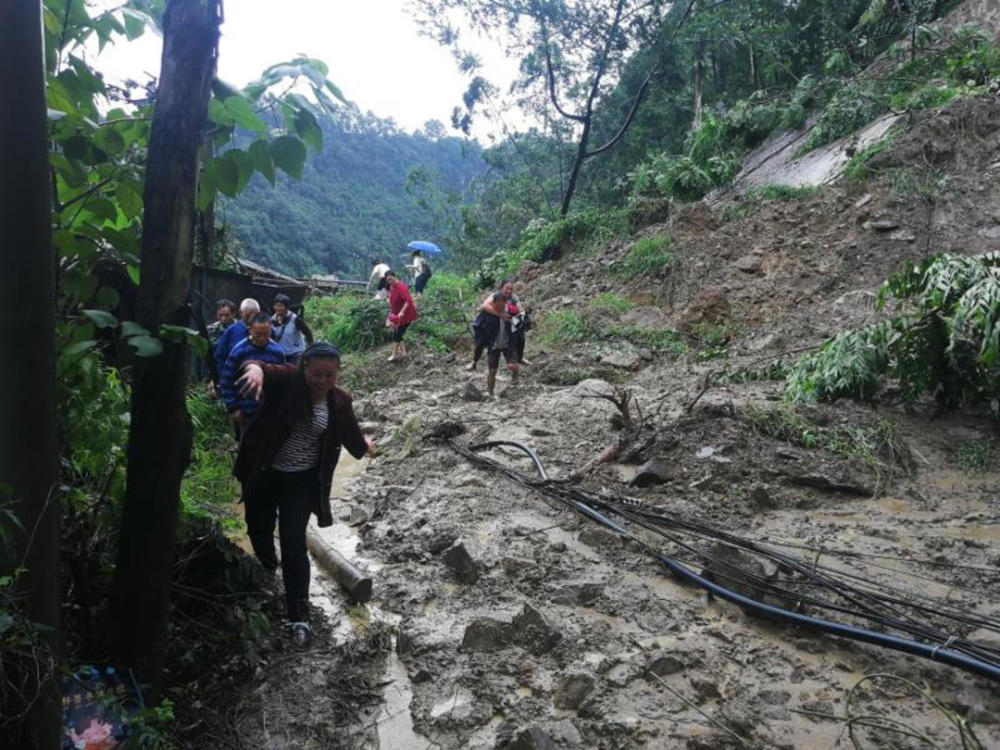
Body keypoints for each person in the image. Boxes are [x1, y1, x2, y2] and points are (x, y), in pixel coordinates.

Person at [234, 342, 375, 647]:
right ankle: (269, 569)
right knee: (258, 529)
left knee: (294, 542)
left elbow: (352, 436)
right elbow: (258, 366)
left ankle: (300, 616)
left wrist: (366, 447)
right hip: (264, 473)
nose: (322, 381)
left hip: (301, 482)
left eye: (329, 375)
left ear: (337, 373)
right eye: (316, 374)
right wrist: (255, 370)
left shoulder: (339, 401)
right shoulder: (287, 382)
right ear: (303, 368)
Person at [220, 312, 285, 431]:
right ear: (250, 330)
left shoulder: (277, 352)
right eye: (258, 334)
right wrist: (233, 408)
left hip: (270, 411)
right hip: (245, 411)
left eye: (266, 334)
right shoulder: (239, 351)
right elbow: (226, 381)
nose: (262, 338)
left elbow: (283, 381)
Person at [478, 280, 521, 397]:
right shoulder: (490, 312)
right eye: (498, 304)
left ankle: (515, 376)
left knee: (513, 365)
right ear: (494, 303)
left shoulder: (511, 311)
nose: (501, 305)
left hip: (508, 343)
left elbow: (520, 321)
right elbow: (481, 323)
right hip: (494, 344)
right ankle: (491, 393)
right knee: (492, 370)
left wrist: (516, 317)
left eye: (503, 303)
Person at [214, 298, 260, 380]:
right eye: (247, 316)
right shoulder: (231, 331)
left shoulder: (263, 330)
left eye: (254, 316)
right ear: (241, 313)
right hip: (233, 377)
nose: (251, 319)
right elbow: (220, 356)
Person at [383, 270, 417, 362]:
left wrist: (402, 312)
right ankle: (404, 352)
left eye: (391, 279)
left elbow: (408, 301)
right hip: (396, 314)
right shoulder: (391, 287)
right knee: (397, 333)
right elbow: (392, 300)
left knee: (396, 335)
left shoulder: (401, 287)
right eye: (388, 280)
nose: (390, 282)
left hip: (406, 315)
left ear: (395, 276)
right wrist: (391, 314)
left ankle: (394, 354)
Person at [271, 293, 313, 365]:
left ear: (286, 307)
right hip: (280, 353)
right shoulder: (271, 320)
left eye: (280, 306)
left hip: (295, 353)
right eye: (276, 306)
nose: (278, 308)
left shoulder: (295, 319)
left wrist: (310, 349)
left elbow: (308, 333)